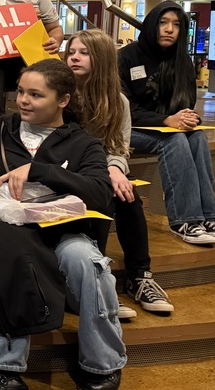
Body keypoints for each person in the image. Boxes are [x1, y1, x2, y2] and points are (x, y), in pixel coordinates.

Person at [0, 59, 125, 390]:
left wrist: (40, 170)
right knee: (5, 252)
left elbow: (100, 192)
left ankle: (103, 362)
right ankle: (3, 365)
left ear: (63, 100)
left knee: (88, 262)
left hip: (58, 230)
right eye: (22, 92)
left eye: (36, 95)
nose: (24, 100)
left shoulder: (82, 143)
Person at [66, 29, 173, 317]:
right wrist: (104, 171)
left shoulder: (118, 102)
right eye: (71, 52)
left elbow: (118, 147)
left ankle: (140, 277)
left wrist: (114, 168)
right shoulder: (61, 95)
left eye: (83, 52)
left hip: (100, 171)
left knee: (128, 196)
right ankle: (98, 282)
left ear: (100, 59)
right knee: (104, 195)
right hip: (67, 172)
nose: (74, 57)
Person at [118, 2, 215, 245]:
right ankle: (185, 220)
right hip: (126, 128)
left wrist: (188, 118)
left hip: (163, 126)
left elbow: (186, 102)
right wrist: (165, 120)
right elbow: (122, 109)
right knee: (174, 139)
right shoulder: (126, 57)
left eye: (176, 25)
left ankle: (210, 216)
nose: (169, 29)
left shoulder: (181, 59)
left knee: (196, 137)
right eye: (163, 23)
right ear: (152, 25)